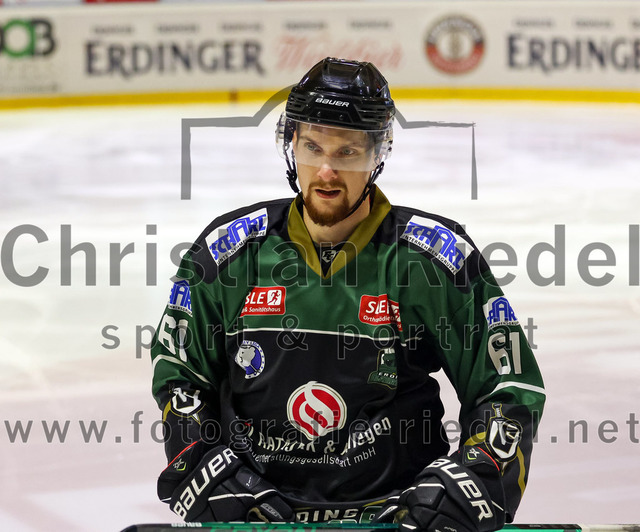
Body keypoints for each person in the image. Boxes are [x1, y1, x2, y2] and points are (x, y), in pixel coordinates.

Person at [150, 57, 545, 532]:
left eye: (348, 152)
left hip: (397, 518)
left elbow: (508, 387)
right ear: (290, 144)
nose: (326, 172)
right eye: (312, 147)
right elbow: (181, 375)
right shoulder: (229, 253)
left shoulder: (434, 258)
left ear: (378, 155)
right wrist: (201, 462)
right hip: (257, 517)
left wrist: (477, 477)